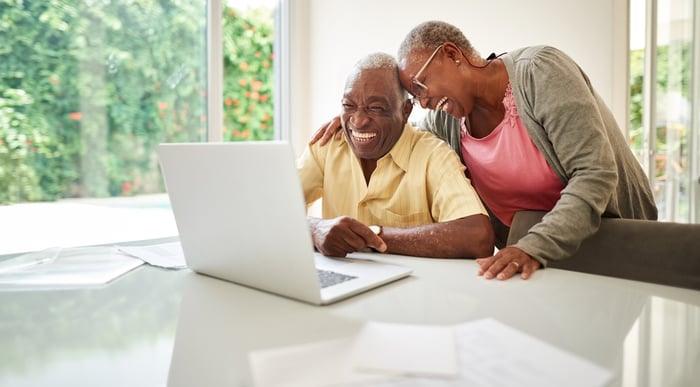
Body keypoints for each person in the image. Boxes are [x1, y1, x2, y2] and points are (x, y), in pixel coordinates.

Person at [311, 21, 657, 280]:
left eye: (421, 84)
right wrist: (357, 117)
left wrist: (532, 246)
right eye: (414, 96)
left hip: (608, 240)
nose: (424, 101)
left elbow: (594, 173)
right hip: (532, 261)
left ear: (452, 54)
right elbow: (402, 131)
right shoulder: (448, 121)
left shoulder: (540, 71)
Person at [298, 52, 494, 259]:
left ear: (406, 111)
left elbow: (477, 236)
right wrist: (314, 228)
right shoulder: (326, 146)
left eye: (375, 108)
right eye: (349, 106)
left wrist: (372, 235)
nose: (358, 121)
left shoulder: (433, 156)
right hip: (343, 286)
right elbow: (268, 208)